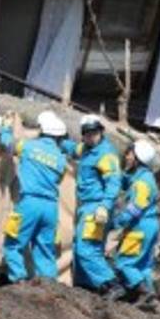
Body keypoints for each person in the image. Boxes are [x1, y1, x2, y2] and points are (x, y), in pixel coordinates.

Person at [0, 110, 68, 283]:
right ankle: (49, 285)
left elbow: (7, 144)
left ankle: (19, 280)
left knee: (13, 244)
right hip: (50, 208)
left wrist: (5, 128)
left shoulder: (28, 146)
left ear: (41, 130)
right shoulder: (61, 159)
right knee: (45, 248)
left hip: (29, 203)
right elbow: (60, 179)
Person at [63, 115, 122, 293]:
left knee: (86, 249)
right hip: (87, 206)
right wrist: (57, 140)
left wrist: (104, 205)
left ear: (101, 132)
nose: (91, 137)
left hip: (96, 208)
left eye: (94, 133)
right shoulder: (87, 149)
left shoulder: (105, 154)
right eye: (87, 134)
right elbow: (73, 148)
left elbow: (114, 182)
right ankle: (87, 286)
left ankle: (112, 285)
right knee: (85, 247)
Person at [108, 139, 160, 311]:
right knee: (143, 264)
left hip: (140, 227)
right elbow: (127, 180)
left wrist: (118, 221)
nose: (127, 157)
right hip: (151, 225)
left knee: (124, 262)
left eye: (130, 154)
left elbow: (137, 206)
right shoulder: (144, 177)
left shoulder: (142, 182)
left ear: (138, 158)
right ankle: (149, 297)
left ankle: (144, 292)